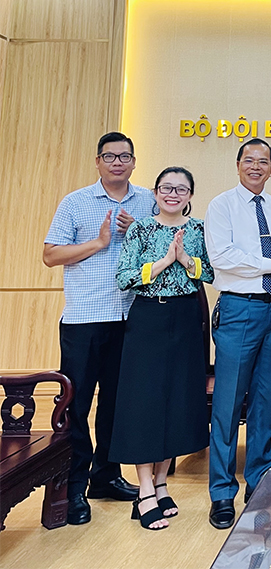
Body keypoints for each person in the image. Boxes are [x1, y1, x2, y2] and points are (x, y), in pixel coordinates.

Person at [43, 132, 153, 525]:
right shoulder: (75, 202)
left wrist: (138, 232)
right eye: (110, 156)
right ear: (98, 161)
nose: (117, 163)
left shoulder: (147, 201)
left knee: (116, 404)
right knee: (77, 405)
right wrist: (100, 241)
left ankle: (104, 477)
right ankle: (72, 489)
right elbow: (50, 255)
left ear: (134, 161)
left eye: (125, 156)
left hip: (131, 317)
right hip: (85, 319)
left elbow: (163, 249)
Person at [204, 138, 271, 529]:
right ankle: (221, 492)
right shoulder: (221, 205)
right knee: (228, 403)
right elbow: (224, 258)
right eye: (248, 160)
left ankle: (260, 485)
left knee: (266, 400)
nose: (255, 167)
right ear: (237, 165)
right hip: (239, 309)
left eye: (263, 162)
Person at [109, 166, 213, 530]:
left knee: (176, 400)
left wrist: (185, 260)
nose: (173, 194)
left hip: (186, 320)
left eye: (181, 189)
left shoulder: (197, 229)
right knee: (146, 403)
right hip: (149, 319)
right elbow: (124, 276)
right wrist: (164, 262)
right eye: (167, 188)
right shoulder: (140, 227)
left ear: (189, 196)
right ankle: (145, 490)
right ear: (155, 192)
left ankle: (163, 482)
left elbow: (210, 273)